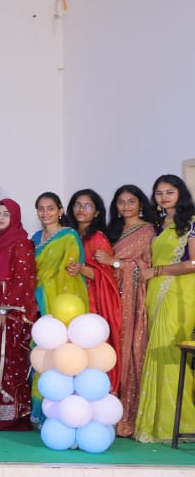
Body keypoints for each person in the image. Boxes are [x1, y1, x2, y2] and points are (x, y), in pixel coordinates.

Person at [134, 175, 195, 443]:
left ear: (181, 193)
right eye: (159, 193)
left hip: (179, 294)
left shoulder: (191, 223)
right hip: (156, 293)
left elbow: (194, 263)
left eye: (170, 192)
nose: (164, 197)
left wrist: (157, 271)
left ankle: (177, 423)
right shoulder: (160, 225)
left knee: (170, 353)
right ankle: (156, 422)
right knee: (157, 352)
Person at [0, 199, 39, 430]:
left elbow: (23, 280)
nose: (0, 218)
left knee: (7, 358)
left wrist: (3, 308)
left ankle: (9, 415)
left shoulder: (21, 243)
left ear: (15, 217)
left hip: (9, 309)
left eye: (6, 214)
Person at [106, 184, 156, 438]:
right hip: (109, 298)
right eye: (121, 201)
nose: (126, 206)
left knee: (129, 350)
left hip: (132, 301)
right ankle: (106, 413)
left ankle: (127, 416)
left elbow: (145, 266)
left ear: (140, 204)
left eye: (131, 201)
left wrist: (115, 263)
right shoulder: (113, 231)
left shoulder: (148, 230)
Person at [67, 188, 123, 390]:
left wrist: (81, 268)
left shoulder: (97, 237)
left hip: (91, 301)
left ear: (97, 212)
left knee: (90, 348)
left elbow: (106, 275)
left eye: (88, 206)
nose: (81, 209)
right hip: (69, 299)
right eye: (77, 205)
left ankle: (96, 391)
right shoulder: (68, 235)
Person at [32, 191, 89, 316]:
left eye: (50, 208)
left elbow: (69, 270)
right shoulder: (35, 237)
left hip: (62, 298)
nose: (45, 213)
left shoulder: (69, 236)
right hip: (36, 295)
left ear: (60, 211)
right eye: (41, 209)